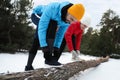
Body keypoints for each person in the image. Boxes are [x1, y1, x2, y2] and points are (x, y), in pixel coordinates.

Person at [25, 1, 85, 71]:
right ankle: (29, 66)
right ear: (68, 12)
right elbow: (42, 29)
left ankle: (49, 60)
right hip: (37, 14)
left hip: (51, 20)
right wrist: (45, 48)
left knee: (53, 24)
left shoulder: (67, 20)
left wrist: (56, 49)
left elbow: (60, 35)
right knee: (40, 36)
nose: (71, 22)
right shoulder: (52, 8)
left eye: (74, 21)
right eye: (71, 19)